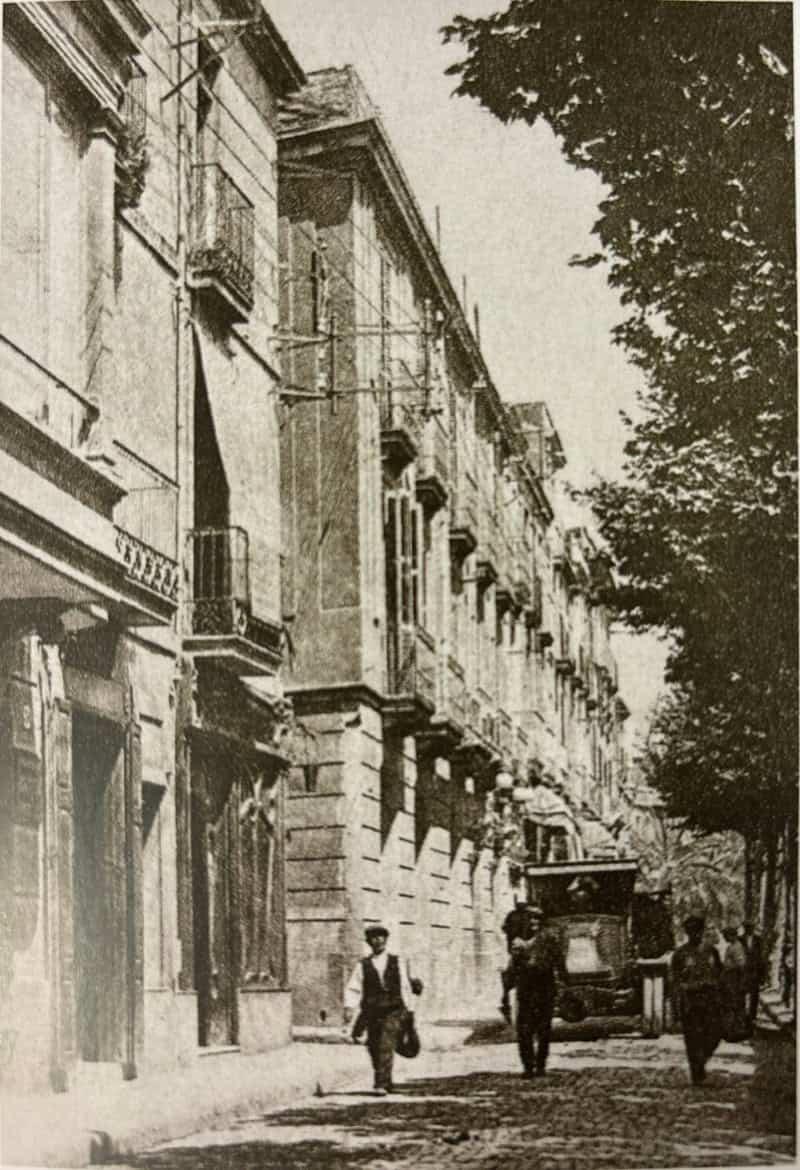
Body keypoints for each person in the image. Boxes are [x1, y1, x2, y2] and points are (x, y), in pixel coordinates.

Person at [343, 924, 415, 1095]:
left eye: (381, 937)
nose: (378, 940)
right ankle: (386, 1080)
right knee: (374, 1045)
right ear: (369, 942)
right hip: (372, 1011)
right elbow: (354, 987)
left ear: (386, 940)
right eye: (374, 938)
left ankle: (380, 1083)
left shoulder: (397, 961)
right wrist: (349, 1007)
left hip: (394, 1009)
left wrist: (410, 1009)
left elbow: (405, 986)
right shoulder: (363, 965)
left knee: (386, 1043)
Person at [507, 905, 568, 1078]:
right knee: (524, 1030)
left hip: (545, 989)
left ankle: (540, 1065)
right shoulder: (517, 942)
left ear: (542, 921)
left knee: (543, 1030)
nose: (534, 921)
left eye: (537, 918)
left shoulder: (549, 939)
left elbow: (559, 962)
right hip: (525, 990)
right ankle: (528, 1066)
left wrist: (565, 983)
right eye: (530, 918)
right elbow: (513, 969)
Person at [671, 913, 723, 1085]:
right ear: (687, 933)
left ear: (702, 931)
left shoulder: (712, 951)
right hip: (690, 1001)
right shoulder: (680, 954)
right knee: (692, 1038)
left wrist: (717, 987)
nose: (695, 934)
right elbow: (675, 981)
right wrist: (676, 1008)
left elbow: (720, 973)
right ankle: (697, 1073)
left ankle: (702, 1059)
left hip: (711, 999)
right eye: (691, 931)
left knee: (714, 1034)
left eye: (698, 931)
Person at [499, 900, 540, 1023]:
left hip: (517, 952)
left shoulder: (511, 915)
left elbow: (504, 928)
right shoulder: (533, 915)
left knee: (509, 978)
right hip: (530, 951)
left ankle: (506, 1003)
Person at [720, 926, 749, 1041]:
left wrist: (741, 982)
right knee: (731, 1004)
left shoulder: (737, 947)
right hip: (730, 979)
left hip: (735, 979)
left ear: (731, 935)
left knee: (736, 1005)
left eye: (726, 936)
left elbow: (741, 965)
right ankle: (731, 1030)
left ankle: (737, 1031)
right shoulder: (731, 946)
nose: (724, 938)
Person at [740, 920, 766, 1025]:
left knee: (754, 994)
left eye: (751, 927)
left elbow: (761, 957)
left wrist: (762, 974)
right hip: (743, 971)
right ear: (744, 928)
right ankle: (742, 1014)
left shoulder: (758, 940)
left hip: (755, 971)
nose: (749, 929)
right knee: (742, 993)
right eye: (747, 927)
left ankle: (753, 1016)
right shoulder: (740, 939)